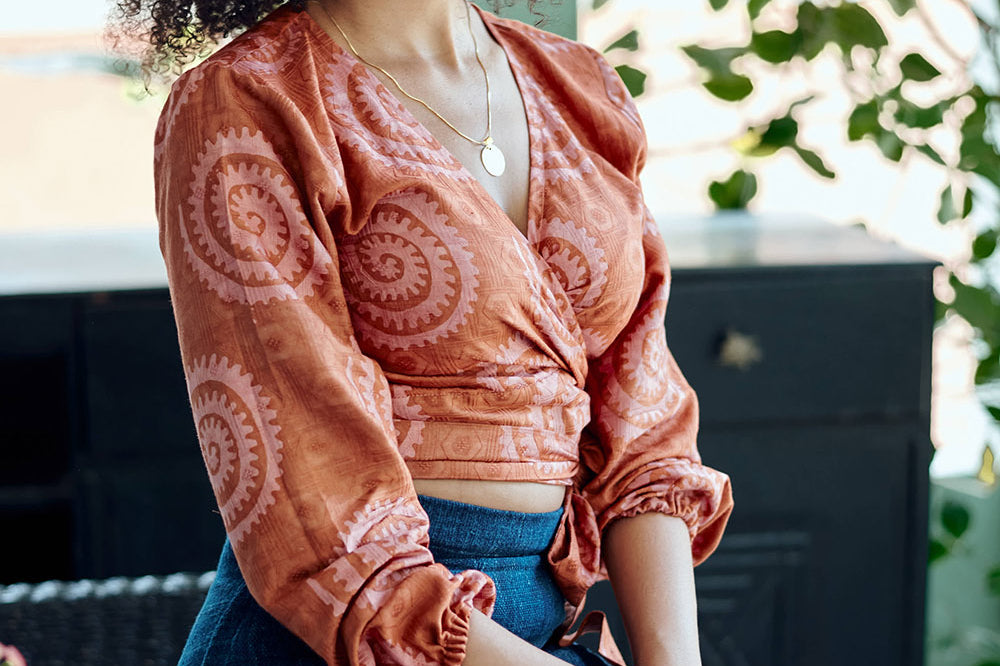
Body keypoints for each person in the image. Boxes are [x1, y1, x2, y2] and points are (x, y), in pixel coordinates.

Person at [123, 0, 735, 663]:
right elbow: (314, 509)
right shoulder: (247, 99)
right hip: (344, 638)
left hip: (538, 626)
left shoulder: (579, 82)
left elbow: (644, 427)